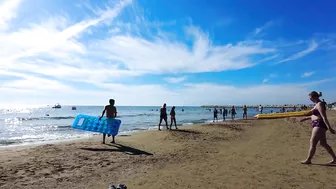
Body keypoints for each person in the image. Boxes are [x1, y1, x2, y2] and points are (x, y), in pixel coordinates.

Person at [300, 91, 336, 164]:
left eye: (311, 98)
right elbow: (314, 115)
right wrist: (306, 118)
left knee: (312, 142)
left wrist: (329, 128)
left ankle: (308, 159)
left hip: (319, 124)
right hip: (317, 124)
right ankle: (335, 158)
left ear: (315, 97)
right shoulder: (316, 104)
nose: (310, 99)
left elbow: (323, 117)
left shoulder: (319, 104)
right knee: (323, 143)